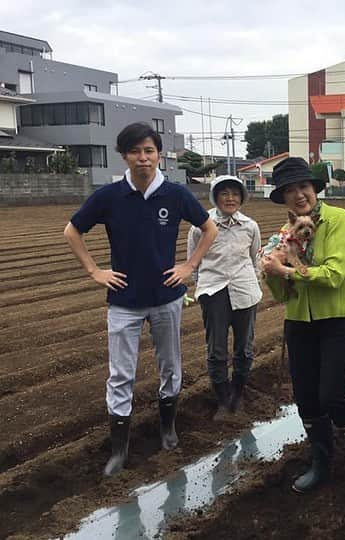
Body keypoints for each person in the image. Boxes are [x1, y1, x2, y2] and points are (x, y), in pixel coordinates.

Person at [63, 122, 218, 477]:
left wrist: (190, 265)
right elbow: (72, 230)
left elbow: (208, 227)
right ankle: (120, 449)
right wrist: (93, 271)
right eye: (135, 151)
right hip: (124, 300)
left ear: (159, 155)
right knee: (120, 373)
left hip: (167, 297)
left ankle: (167, 428)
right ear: (124, 156)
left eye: (149, 151)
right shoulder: (110, 196)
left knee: (170, 364)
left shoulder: (176, 194)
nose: (143, 158)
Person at [259, 156, 345, 505]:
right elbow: (284, 295)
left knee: (332, 394)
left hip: (337, 320)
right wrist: (272, 270)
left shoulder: (338, 220)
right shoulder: (286, 234)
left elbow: (333, 275)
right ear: (283, 198)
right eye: (289, 191)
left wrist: (287, 271)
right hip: (299, 322)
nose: (299, 195)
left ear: (314, 189)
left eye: (303, 186)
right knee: (306, 397)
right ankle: (321, 463)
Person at [187, 175, 262, 420]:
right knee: (216, 350)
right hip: (214, 291)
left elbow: (254, 260)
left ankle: (238, 395)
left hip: (245, 291)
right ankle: (222, 399)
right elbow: (194, 262)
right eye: (224, 194)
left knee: (244, 349)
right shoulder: (200, 226)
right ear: (215, 197)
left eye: (235, 194)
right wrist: (202, 288)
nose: (230, 198)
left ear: (242, 198)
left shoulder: (250, 226)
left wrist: (254, 284)